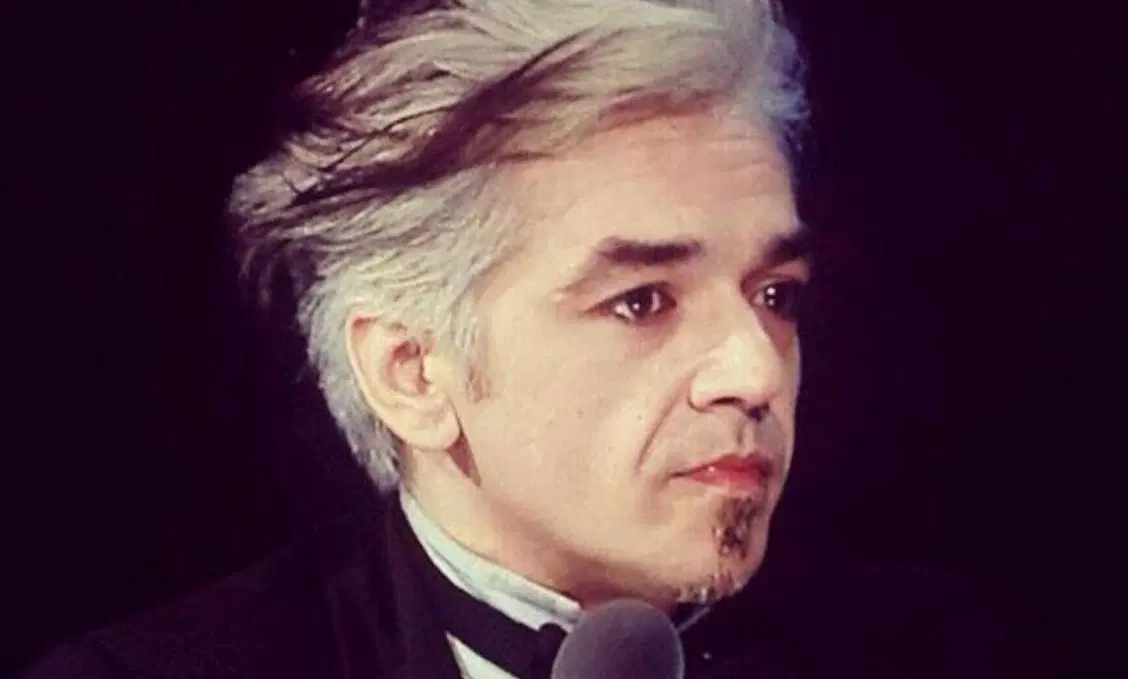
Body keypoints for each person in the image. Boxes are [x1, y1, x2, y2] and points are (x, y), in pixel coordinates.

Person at [24, 1, 1028, 677]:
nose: (756, 369)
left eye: (775, 293)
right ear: (413, 371)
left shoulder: (946, 652)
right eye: (642, 300)